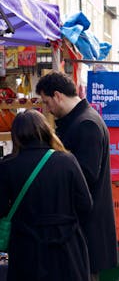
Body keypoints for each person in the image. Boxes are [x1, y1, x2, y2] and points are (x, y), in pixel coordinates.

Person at [36, 72, 118, 280]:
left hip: (85, 229)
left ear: (57, 95)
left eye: (46, 102)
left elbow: (85, 177)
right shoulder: (80, 120)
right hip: (79, 227)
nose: (47, 109)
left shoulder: (86, 124)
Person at [0, 109, 92, 281]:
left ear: (16, 135)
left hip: (26, 249)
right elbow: (85, 204)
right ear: (45, 129)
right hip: (67, 246)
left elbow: (1, 208)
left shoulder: (7, 166)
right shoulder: (67, 160)